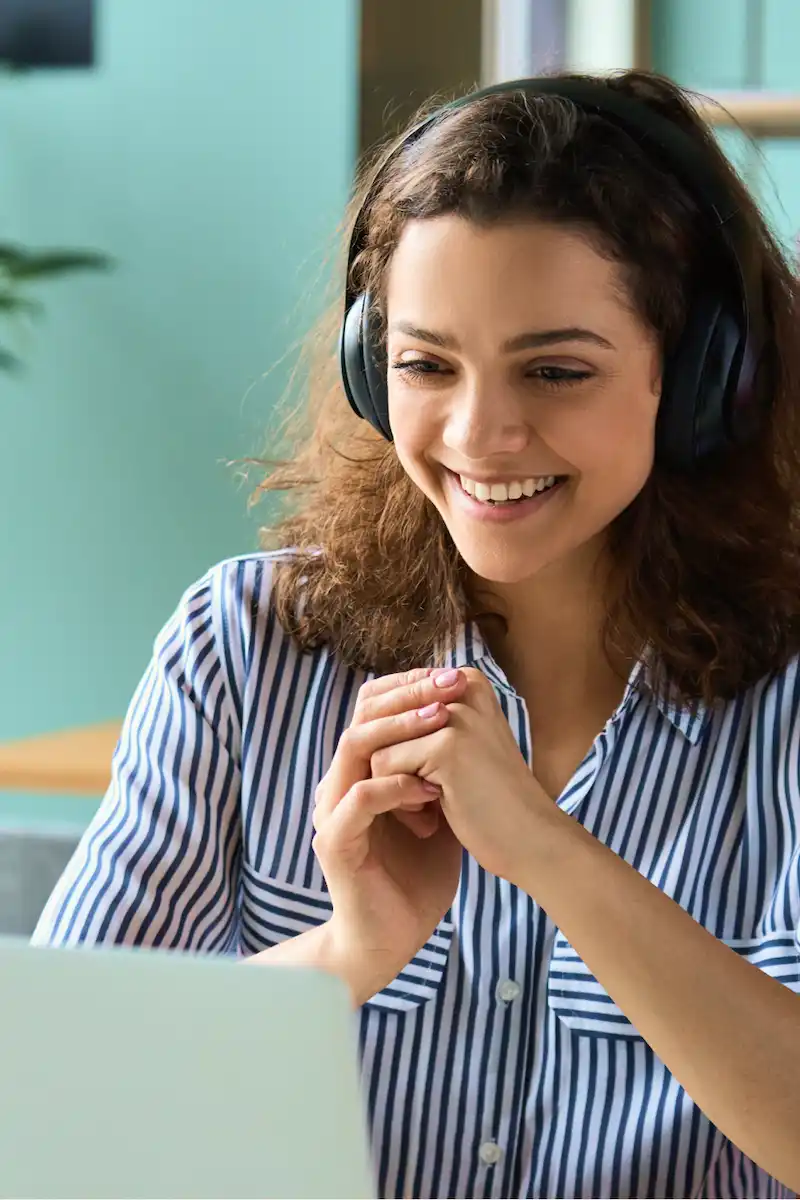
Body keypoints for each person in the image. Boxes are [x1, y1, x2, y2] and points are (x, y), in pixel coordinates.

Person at [32, 69, 800, 1200]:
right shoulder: (242, 648)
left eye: (553, 370)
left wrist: (546, 852)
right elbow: (53, 1105)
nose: (479, 434)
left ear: (699, 381)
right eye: (425, 364)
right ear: (366, 366)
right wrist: (346, 955)